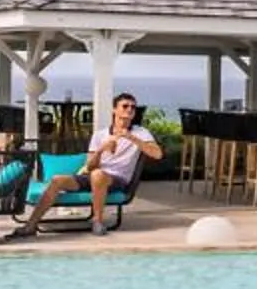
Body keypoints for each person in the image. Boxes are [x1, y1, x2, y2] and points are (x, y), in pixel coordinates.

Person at [13, 93, 159, 238]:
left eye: (133, 107)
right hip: (93, 177)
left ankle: (98, 221)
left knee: (98, 175)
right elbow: (89, 166)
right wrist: (101, 150)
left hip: (118, 180)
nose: (129, 109)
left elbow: (157, 154)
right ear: (114, 110)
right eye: (125, 106)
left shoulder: (141, 133)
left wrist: (131, 137)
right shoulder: (100, 135)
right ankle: (30, 226)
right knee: (57, 180)